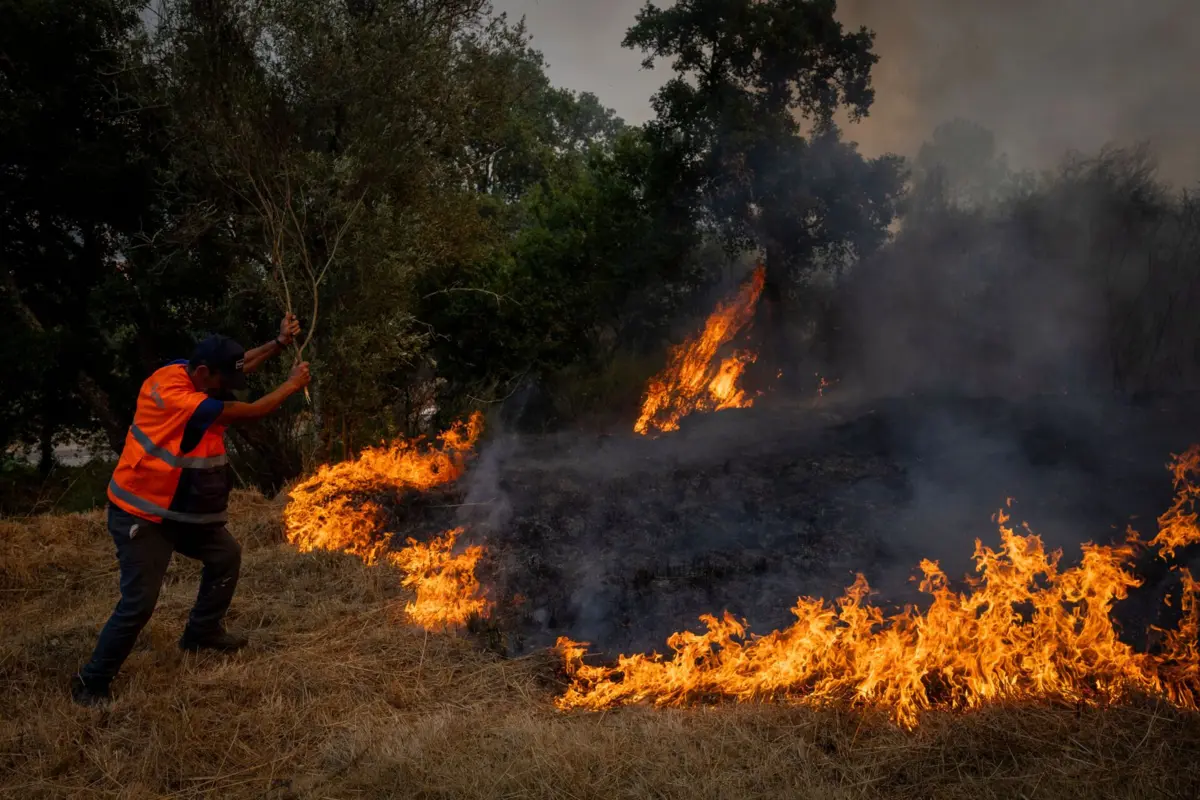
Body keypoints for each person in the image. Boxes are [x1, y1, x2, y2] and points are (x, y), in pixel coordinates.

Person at [71, 314, 311, 707]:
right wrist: (291, 385)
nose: (226, 387)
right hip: (142, 513)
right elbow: (253, 410)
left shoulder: (178, 369)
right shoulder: (188, 403)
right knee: (139, 603)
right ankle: (91, 682)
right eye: (221, 381)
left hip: (178, 508)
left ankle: (201, 633)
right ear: (202, 373)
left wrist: (279, 343)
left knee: (225, 555)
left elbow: (240, 364)